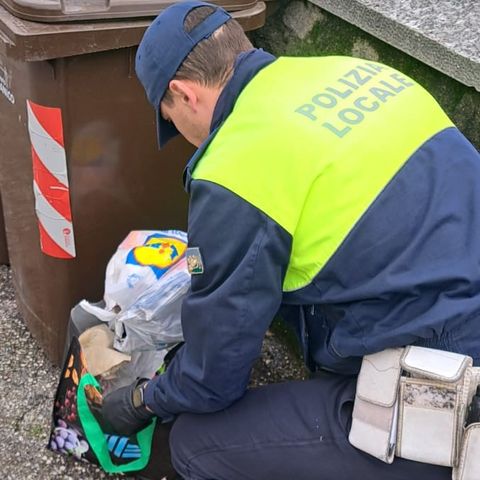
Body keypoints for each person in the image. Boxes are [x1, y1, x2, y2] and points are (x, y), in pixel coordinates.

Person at [102, 2, 480, 479]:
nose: (184, 136)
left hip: (453, 395)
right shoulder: (355, 71)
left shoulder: (234, 169)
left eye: (171, 118)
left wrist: (141, 401)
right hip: (456, 303)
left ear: (184, 94)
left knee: (197, 445)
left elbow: (211, 380)